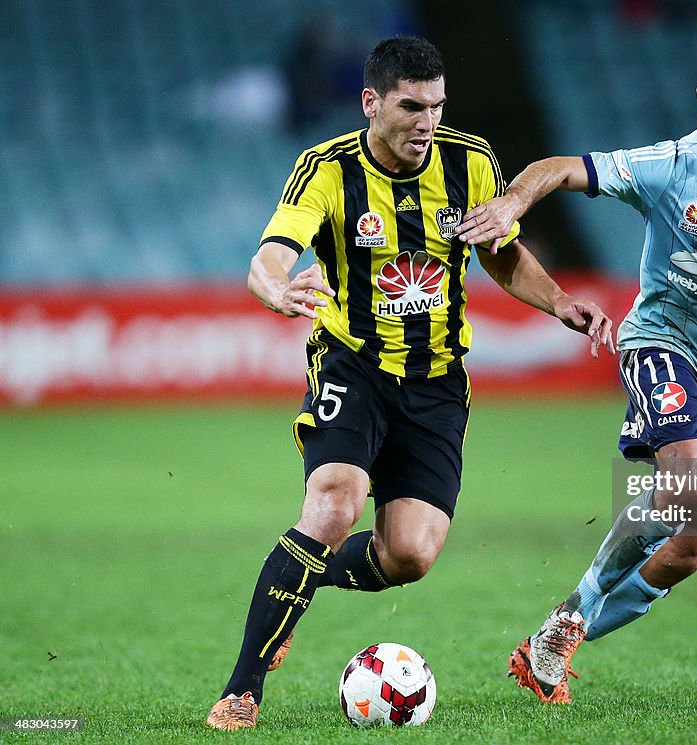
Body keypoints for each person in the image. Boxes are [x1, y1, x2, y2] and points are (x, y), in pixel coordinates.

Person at [205, 35, 614, 730]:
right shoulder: (327, 169)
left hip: (437, 380)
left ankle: (296, 583)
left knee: (411, 554)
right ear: (372, 102)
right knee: (334, 504)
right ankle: (242, 688)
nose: (427, 121)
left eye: (436, 105)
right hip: (352, 362)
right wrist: (277, 291)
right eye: (411, 106)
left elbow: (502, 255)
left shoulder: (471, 160)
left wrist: (558, 301)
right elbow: (267, 257)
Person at [458, 41, 697, 703]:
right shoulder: (668, 165)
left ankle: (556, 633)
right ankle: (574, 610)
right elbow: (559, 167)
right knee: (693, 480)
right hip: (657, 341)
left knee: (688, 549)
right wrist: (513, 204)